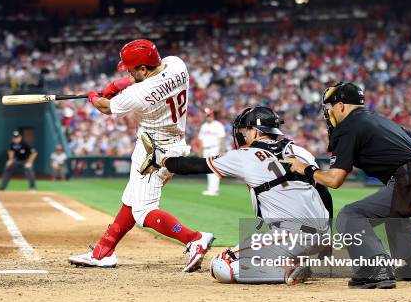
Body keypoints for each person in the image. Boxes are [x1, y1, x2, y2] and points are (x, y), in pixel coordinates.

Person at [285, 82, 411, 289]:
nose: (328, 114)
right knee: (394, 212)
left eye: (330, 108)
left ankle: (376, 270)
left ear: (342, 106)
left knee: (350, 216)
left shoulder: (346, 128)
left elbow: (335, 180)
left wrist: (306, 169)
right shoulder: (380, 120)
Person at [140, 106, 332, 284]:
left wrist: (161, 159)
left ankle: (287, 270)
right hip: (320, 233)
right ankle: (290, 259)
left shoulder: (246, 155)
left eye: (245, 130)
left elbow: (193, 166)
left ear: (255, 131)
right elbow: (323, 191)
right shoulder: (301, 151)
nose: (242, 134)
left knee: (221, 265)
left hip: (291, 234)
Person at [68, 39, 214, 272]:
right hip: (171, 143)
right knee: (131, 198)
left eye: (131, 69)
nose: (128, 72)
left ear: (143, 69)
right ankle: (103, 252)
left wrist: (94, 96)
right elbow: (151, 79)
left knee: (143, 210)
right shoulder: (177, 64)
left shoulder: (139, 92)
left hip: (155, 153)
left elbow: (106, 107)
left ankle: (194, 238)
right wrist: (119, 83)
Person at [197, 108, 226, 196]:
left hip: (215, 148)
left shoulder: (218, 125)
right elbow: (201, 140)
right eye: (207, 116)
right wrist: (200, 150)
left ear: (213, 116)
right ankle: (211, 189)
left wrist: (221, 149)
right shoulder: (204, 126)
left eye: (210, 115)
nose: (208, 117)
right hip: (206, 149)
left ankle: (214, 190)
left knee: (214, 169)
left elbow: (222, 138)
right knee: (208, 170)